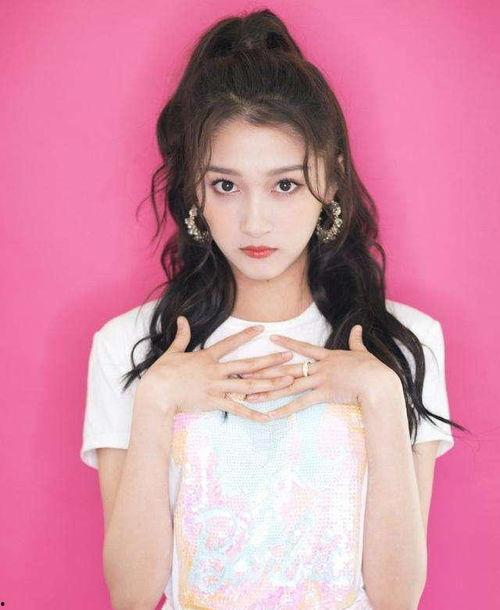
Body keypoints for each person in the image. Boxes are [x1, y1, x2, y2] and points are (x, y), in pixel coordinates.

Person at [80, 9, 467, 610]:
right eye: (225, 185)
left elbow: (398, 597)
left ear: (331, 182)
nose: (255, 222)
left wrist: (380, 396)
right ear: (194, 191)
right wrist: (156, 402)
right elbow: (131, 595)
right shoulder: (128, 346)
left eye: (285, 185)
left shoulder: (406, 341)